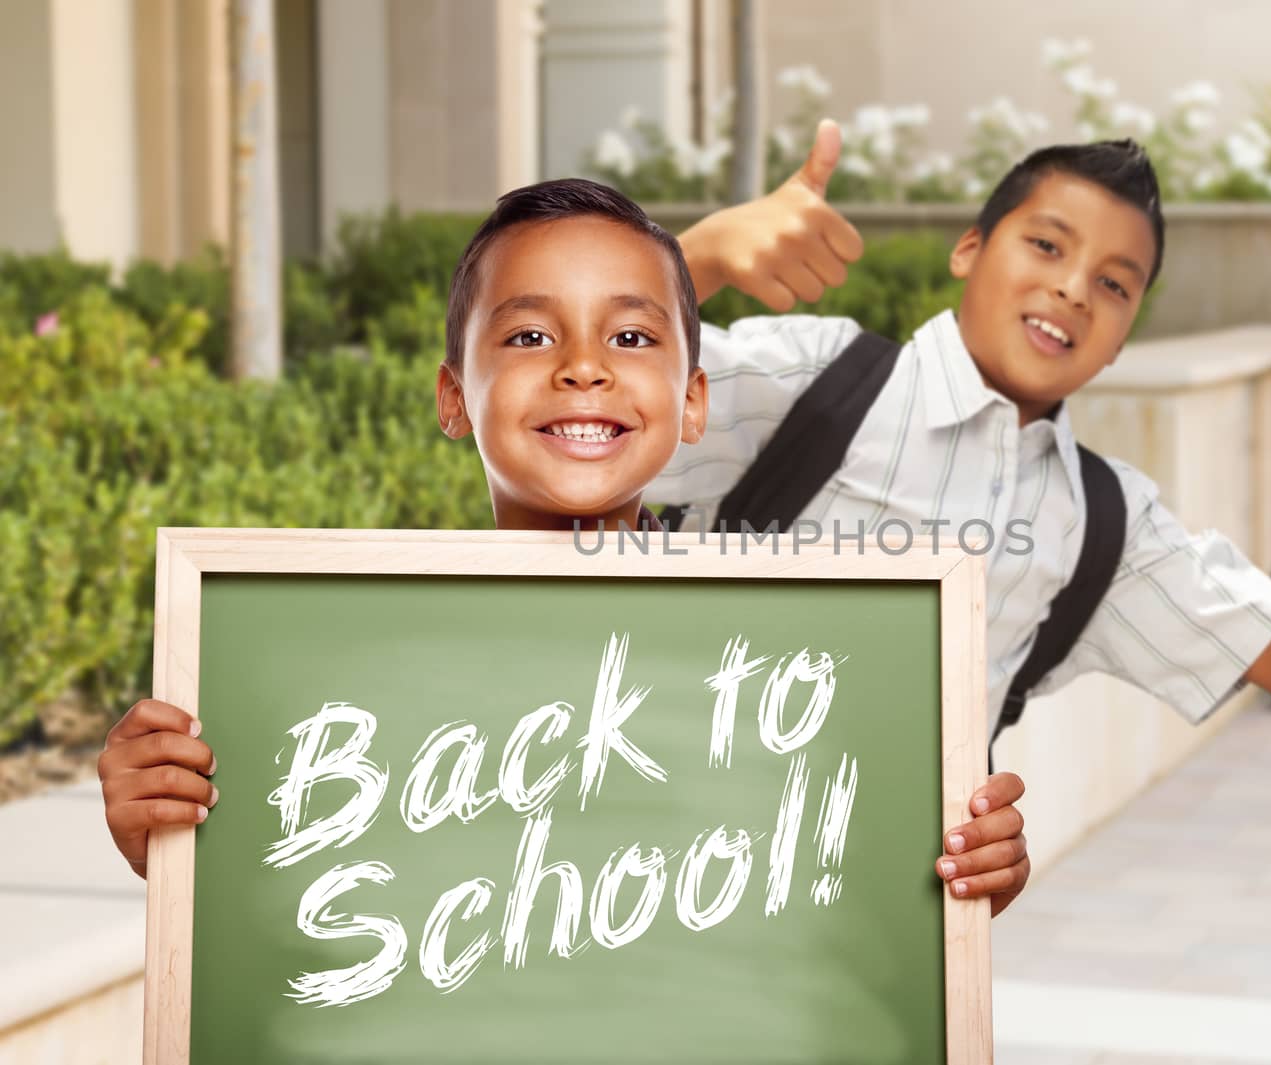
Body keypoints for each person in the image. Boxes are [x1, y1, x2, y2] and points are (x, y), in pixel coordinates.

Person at [98, 178, 1032, 917]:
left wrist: (970, 868)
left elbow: (862, 893)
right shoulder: (350, 660)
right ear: (455, 397)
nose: (583, 366)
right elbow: (292, 899)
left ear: (694, 399)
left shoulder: (795, 655)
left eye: (629, 335)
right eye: (531, 333)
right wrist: (171, 836)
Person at [655, 123, 1271, 914]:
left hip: (865, 935)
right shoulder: (812, 380)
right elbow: (547, 397)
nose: (1075, 287)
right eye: (1046, 245)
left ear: (1123, 338)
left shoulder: (1102, 523)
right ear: (970, 249)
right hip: (655, 860)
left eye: (1115, 284)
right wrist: (695, 260)